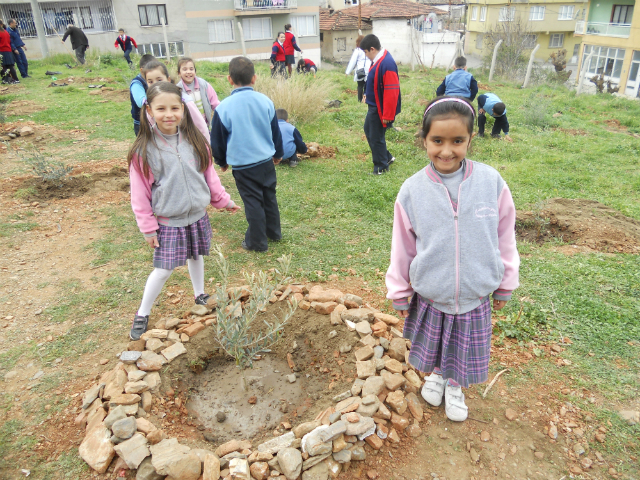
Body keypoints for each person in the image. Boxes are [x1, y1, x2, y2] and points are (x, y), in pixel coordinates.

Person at [386, 96, 519, 422]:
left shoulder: (491, 183)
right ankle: (436, 375)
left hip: (475, 294)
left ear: (470, 139)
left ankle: (455, 385)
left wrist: (505, 283)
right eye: (437, 141)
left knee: (462, 347)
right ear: (424, 140)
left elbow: (505, 236)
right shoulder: (412, 190)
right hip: (432, 292)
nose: (447, 151)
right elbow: (402, 246)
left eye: (457, 141)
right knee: (434, 344)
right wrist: (399, 290)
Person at [127, 82, 240, 340]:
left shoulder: (195, 140)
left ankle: (199, 294)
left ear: (184, 109)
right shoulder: (143, 151)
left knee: (197, 255)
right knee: (164, 270)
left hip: (197, 216)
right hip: (169, 221)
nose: (169, 114)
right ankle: (143, 313)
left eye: (175, 108)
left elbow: (209, 177)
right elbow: (139, 196)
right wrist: (148, 228)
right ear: (149, 110)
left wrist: (223, 201)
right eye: (161, 109)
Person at [211, 57, 284, 253]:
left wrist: (221, 160)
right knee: (269, 197)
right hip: (266, 162)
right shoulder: (266, 101)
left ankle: (257, 242)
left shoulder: (223, 107)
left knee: (253, 202)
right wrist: (278, 153)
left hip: (244, 167)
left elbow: (217, 139)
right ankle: (274, 232)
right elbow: (274, 130)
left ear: (229, 79)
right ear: (254, 78)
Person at [361, 34, 401, 175]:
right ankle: (387, 157)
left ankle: (381, 166)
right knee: (369, 131)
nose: (366, 56)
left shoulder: (387, 63)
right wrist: (367, 93)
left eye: (365, 52)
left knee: (376, 136)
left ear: (372, 49)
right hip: (373, 105)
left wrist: (388, 114)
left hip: (379, 109)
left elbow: (392, 91)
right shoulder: (378, 60)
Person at [143, 60, 210, 141]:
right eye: (150, 81)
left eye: (159, 80)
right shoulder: (148, 104)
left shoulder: (185, 101)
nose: (155, 84)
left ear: (168, 79)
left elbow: (201, 127)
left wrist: (206, 149)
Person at [176, 57, 220, 130]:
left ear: (195, 71)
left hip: (205, 123)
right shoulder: (178, 90)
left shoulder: (204, 85)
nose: (188, 72)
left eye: (191, 69)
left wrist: (222, 111)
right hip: (189, 126)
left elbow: (214, 102)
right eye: (184, 69)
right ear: (179, 73)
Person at [130, 53, 156, 135]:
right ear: (142, 70)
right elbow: (141, 102)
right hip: (142, 123)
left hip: (156, 121)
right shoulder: (137, 83)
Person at [345, 35, 371, 103]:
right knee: (367, 86)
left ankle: (360, 100)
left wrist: (347, 71)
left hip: (360, 70)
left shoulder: (358, 50)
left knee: (360, 86)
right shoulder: (368, 50)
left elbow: (353, 61)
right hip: (368, 70)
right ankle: (366, 100)